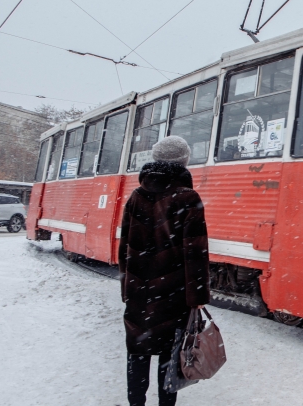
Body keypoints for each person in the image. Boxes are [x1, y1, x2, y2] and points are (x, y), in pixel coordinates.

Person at [118, 136, 210, 406]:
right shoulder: (188, 197)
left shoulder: (137, 196)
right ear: (183, 161)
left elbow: (125, 248)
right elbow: (196, 253)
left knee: (137, 351)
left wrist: (127, 288)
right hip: (173, 293)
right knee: (170, 355)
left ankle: (136, 403)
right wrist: (197, 298)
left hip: (139, 293)